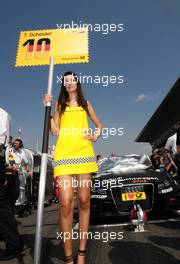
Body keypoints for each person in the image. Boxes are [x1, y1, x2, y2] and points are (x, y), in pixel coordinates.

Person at [43, 71, 103, 264]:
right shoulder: (60, 105)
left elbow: (99, 125)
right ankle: (68, 257)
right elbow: (53, 131)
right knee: (66, 202)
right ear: (64, 85)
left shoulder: (86, 104)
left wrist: (95, 136)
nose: (69, 83)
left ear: (77, 83)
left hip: (84, 153)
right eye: (66, 81)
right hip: (64, 156)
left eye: (72, 80)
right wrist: (48, 106)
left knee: (84, 200)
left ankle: (82, 253)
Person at [0, 107, 23, 261]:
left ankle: (13, 243)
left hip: (13, 175)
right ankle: (12, 241)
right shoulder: (4, 113)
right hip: (4, 165)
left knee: (2, 205)